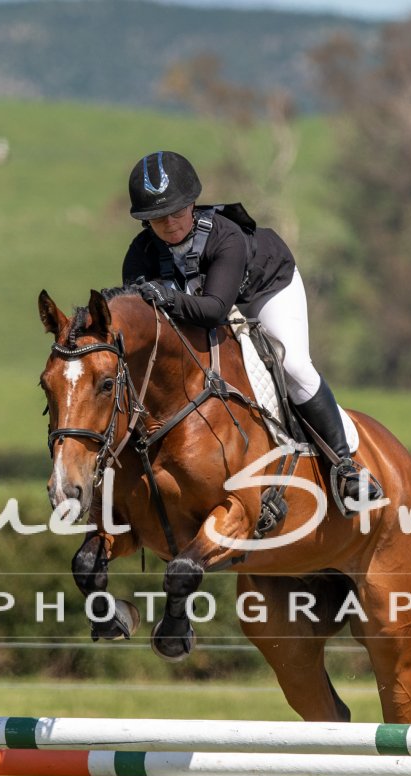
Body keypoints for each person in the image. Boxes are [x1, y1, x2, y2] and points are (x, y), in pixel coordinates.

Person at [119, 149, 379, 513]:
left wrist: (166, 296)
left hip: (265, 289)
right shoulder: (140, 255)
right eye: (159, 218)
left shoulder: (224, 237)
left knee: (292, 364)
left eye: (177, 212)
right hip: (202, 305)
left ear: (192, 204)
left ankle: (346, 467)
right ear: (145, 221)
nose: (171, 224)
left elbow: (214, 310)